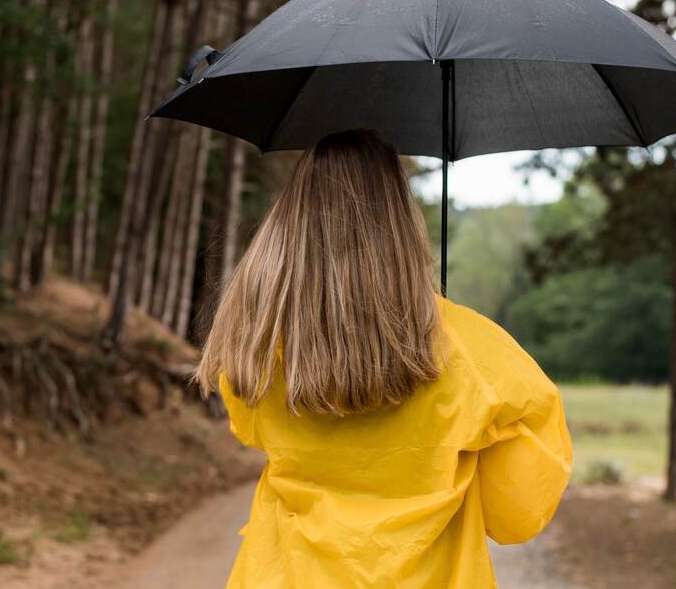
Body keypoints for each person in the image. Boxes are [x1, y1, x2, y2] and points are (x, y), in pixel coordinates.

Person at [195, 130, 573, 588]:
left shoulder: (256, 345)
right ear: (401, 224)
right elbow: (518, 515)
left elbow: (249, 424)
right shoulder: (469, 349)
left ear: (289, 225)